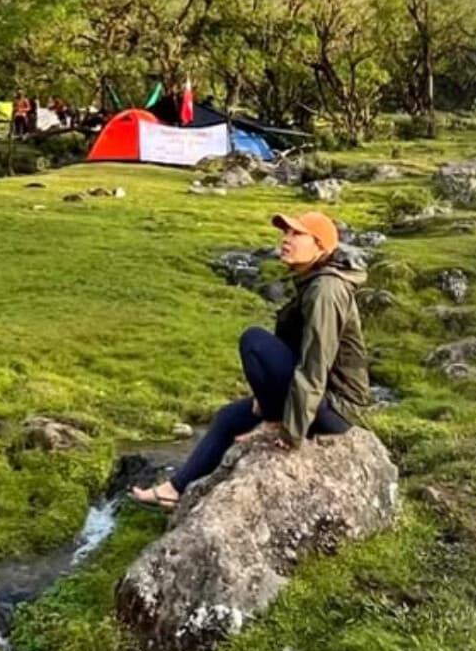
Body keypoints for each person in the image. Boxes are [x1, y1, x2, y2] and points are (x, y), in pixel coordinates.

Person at [131, 210, 369, 509]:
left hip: (337, 408)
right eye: (286, 233)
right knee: (229, 417)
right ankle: (174, 489)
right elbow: (293, 347)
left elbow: (315, 364)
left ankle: (272, 419)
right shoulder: (312, 280)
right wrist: (265, 394)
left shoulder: (326, 289)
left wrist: (291, 430)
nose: (286, 240)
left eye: (297, 234)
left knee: (254, 341)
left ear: (320, 246)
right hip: (319, 400)